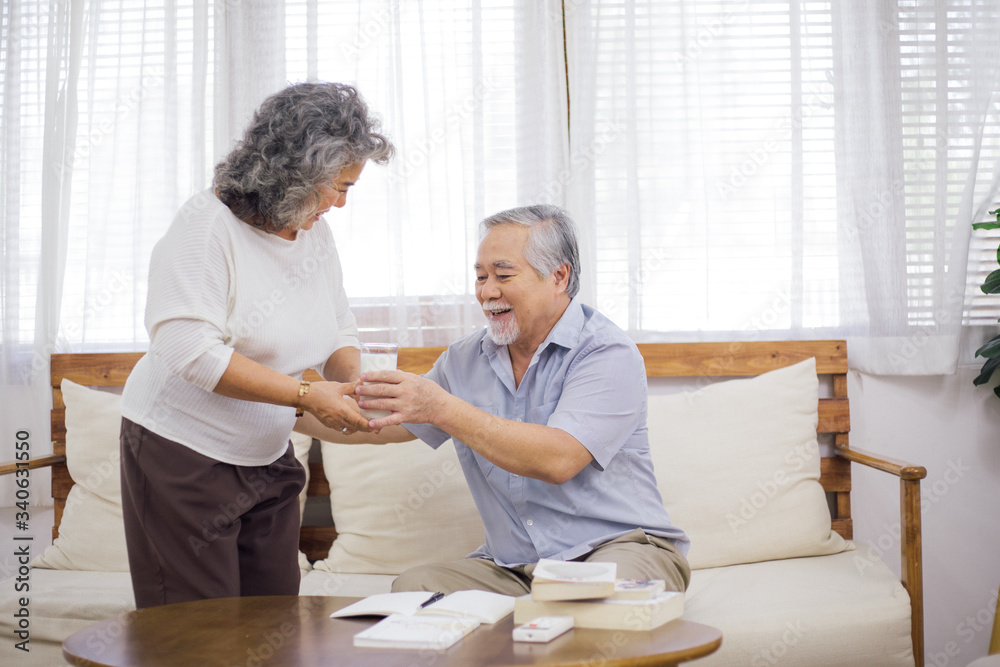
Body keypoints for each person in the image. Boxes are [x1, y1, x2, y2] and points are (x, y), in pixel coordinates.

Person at [298, 205, 690, 596]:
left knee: (599, 598)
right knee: (415, 590)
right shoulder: (465, 359)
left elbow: (558, 460)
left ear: (558, 276)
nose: (487, 292)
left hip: (616, 549)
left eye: (503, 275)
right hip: (514, 568)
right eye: (481, 276)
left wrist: (441, 407)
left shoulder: (606, 353)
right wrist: (290, 403)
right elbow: (377, 424)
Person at [119, 82, 394, 609]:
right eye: (338, 186)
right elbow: (188, 349)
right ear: (296, 173)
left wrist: (350, 384)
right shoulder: (206, 228)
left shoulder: (312, 230)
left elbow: (339, 324)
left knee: (271, 626)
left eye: (349, 188)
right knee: (199, 637)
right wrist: (308, 396)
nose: (340, 203)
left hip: (266, 454)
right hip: (181, 452)